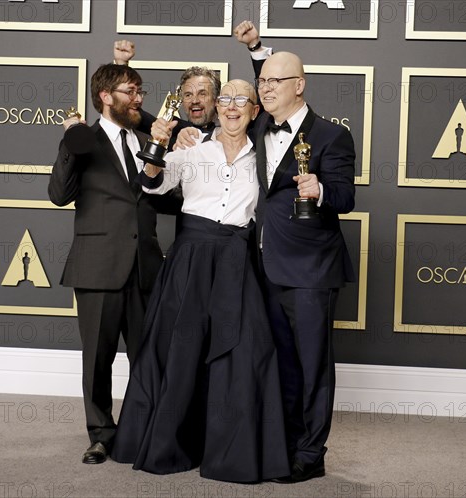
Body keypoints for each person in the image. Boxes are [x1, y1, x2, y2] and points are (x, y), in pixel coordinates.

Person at [111, 79, 290, 483]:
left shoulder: (265, 156)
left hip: (237, 259)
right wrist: (157, 149)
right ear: (216, 106)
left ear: (254, 110)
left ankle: (234, 452)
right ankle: (172, 444)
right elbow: (153, 183)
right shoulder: (192, 147)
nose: (230, 107)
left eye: (240, 100)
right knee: (180, 352)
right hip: (190, 259)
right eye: (224, 99)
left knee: (245, 354)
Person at [48, 63, 175, 465]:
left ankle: (140, 430)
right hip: (98, 266)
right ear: (106, 96)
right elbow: (58, 195)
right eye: (130, 91)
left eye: (140, 90)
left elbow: (164, 198)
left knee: (147, 357)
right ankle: (101, 434)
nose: (139, 98)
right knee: (97, 359)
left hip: (145, 267)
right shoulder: (83, 140)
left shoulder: (146, 140)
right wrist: (71, 141)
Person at [252, 50, 356, 483]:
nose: (266, 88)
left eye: (277, 81)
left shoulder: (332, 136)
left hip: (311, 269)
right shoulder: (256, 125)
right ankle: (286, 444)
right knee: (282, 365)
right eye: (263, 82)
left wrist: (322, 189)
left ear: (300, 84)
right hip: (262, 267)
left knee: (313, 366)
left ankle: (311, 454)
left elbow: (347, 198)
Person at [113, 40, 221, 146]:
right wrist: (122, 64)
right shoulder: (170, 129)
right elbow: (131, 112)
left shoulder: (229, 134)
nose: (195, 101)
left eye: (202, 94)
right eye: (188, 95)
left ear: (216, 100)